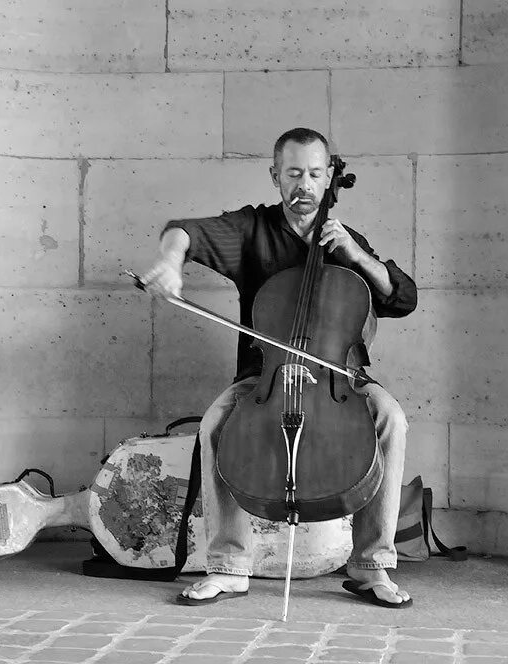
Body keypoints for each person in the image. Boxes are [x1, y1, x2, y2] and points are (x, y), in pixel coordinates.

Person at [141, 127, 418, 608]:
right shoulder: (253, 229)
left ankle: (372, 566)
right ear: (275, 175)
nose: (304, 184)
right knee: (214, 426)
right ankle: (228, 566)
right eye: (293, 173)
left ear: (330, 175)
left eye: (314, 173)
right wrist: (170, 262)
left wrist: (356, 256)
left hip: (338, 377)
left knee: (390, 418)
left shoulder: (345, 239)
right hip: (263, 377)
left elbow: (402, 298)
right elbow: (184, 229)